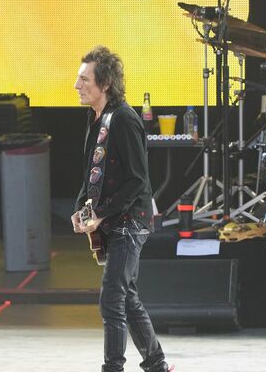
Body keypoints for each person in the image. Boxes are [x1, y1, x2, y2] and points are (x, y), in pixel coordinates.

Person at [70, 46, 171, 372]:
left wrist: (102, 213)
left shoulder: (125, 119)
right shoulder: (97, 118)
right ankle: (157, 364)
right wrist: (80, 208)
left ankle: (113, 367)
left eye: (84, 79)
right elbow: (91, 172)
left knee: (111, 298)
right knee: (126, 297)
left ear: (106, 84)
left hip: (131, 221)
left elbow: (137, 181)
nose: (77, 85)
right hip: (114, 221)